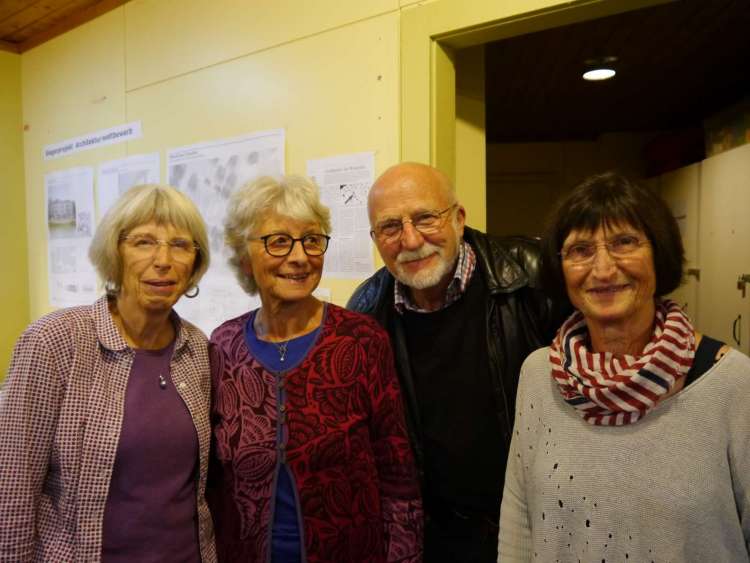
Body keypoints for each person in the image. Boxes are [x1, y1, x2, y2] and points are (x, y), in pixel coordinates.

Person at [498, 172, 750, 561]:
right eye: (580, 250)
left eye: (624, 243)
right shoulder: (539, 375)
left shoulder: (732, 384)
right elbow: (519, 519)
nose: (602, 269)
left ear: (659, 253)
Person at [347, 162, 565, 562]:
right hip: (437, 539)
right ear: (376, 239)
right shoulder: (366, 311)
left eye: (426, 218)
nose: (410, 240)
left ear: (459, 219)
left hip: (538, 524)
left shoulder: (533, 276)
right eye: (390, 227)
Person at [207, 175, 422, 563]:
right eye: (278, 241)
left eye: (311, 239)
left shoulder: (361, 340)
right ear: (244, 256)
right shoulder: (223, 346)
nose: (300, 257)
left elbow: (397, 472)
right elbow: (213, 482)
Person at [0, 184, 217, 562]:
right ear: (114, 253)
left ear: (195, 263)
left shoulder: (197, 348)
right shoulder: (54, 342)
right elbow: (12, 488)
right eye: (144, 242)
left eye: (180, 245)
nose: (163, 259)